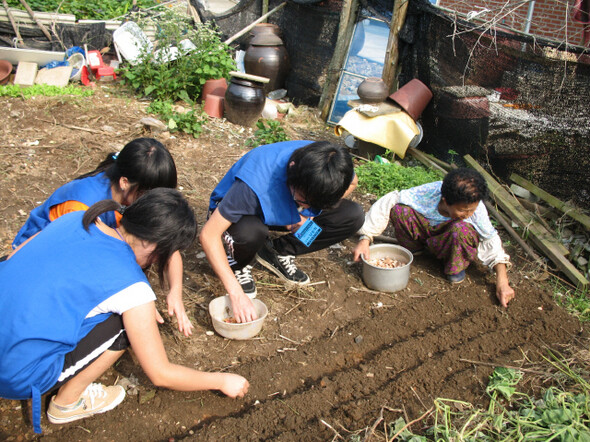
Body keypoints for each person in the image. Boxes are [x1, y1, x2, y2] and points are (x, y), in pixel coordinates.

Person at [0, 189, 249, 434]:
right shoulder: (131, 286)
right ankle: (67, 403)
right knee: (123, 325)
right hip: (15, 372)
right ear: (153, 245)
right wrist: (221, 380)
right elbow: (161, 374)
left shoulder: (77, 218)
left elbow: (13, 258)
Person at [10, 137, 193, 336]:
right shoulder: (81, 208)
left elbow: (165, 242)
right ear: (125, 182)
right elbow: (75, 265)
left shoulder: (124, 196)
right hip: (40, 266)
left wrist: (175, 290)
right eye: (150, 195)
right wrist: (137, 299)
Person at [200, 140, 365, 323]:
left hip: (284, 209)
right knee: (251, 233)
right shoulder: (253, 184)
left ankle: (279, 251)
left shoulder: (332, 164)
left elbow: (353, 183)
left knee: (352, 215)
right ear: (292, 169)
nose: (309, 206)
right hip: (245, 213)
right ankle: (238, 263)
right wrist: (235, 293)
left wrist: (306, 213)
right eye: (303, 199)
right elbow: (209, 234)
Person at [353, 167, 515, 307]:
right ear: (445, 201)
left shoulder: (475, 209)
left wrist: (502, 281)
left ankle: (454, 267)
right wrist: (366, 238)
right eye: (463, 210)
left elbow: (490, 239)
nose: (468, 214)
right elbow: (391, 199)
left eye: (471, 210)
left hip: (450, 241)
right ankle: (415, 251)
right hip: (427, 234)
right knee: (400, 211)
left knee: (462, 229)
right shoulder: (429, 193)